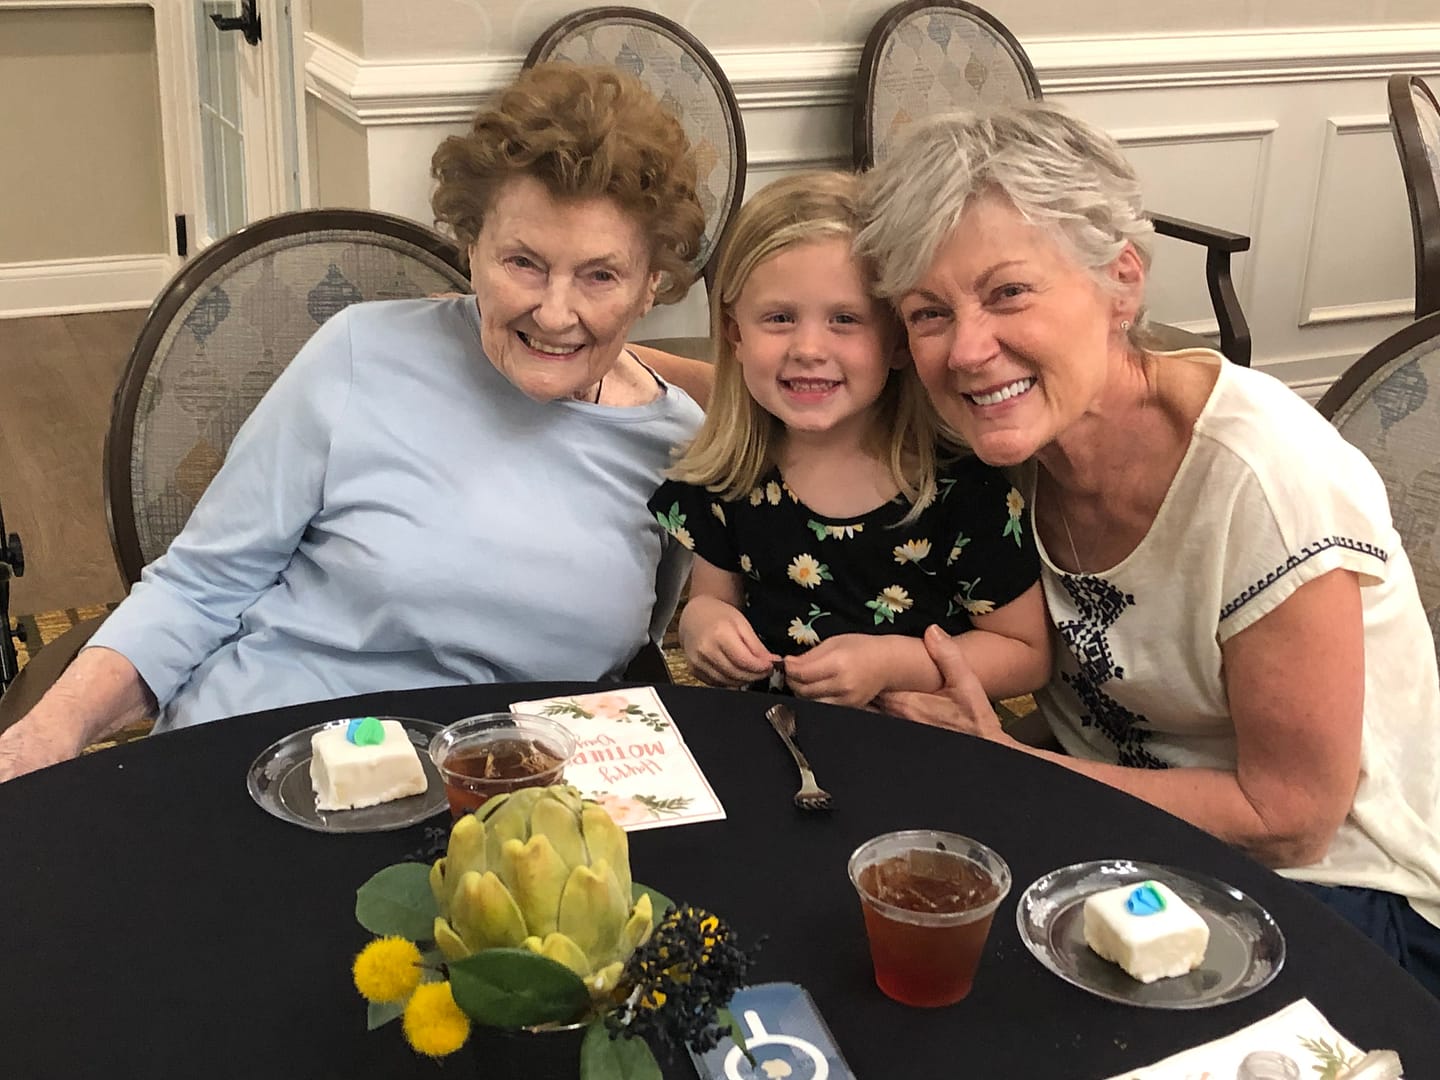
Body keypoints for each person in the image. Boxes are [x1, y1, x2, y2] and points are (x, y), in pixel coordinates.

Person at [857, 102, 1440, 993]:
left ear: (1121, 283)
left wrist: (1012, 768)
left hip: (1346, 902)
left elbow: (1289, 818)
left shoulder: (1265, 480)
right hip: (1117, 839)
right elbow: (784, 394)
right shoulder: (1010, 445)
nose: (970, 349)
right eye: (930, 313)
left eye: (1009, 292)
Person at [0, 63, 711, 781]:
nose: (555, 313)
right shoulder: (360, 354)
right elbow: (198, 588)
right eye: (523, 263)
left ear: (652, 283)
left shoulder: (677, 446)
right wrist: (50, 733)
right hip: (261, 757)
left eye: (600, 276)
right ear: (472, 248)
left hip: (496, 806)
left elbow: (631, 678)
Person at [647, 171, 1050, 709]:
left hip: (927, 747)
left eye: (845, 319)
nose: (809, 348)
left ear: (900, 341)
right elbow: (709, 602)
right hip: (773, 737)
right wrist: (705, 628)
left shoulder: (963, 489)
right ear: (736, 333)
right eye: (780, 317)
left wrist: (889, 665)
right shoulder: (730, 474)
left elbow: (1025, 653)